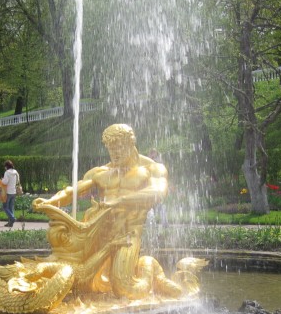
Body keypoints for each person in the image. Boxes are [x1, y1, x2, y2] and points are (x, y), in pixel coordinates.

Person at [33, 123, 177, 300]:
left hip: (127, 234)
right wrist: (50, 201)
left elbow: (158, 192)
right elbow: (72, 191)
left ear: (131, 144)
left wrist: (121, 200)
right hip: (98, 233)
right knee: (79, 282)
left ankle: (148, 265)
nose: (114, 153)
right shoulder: (100, 172)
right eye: (111, 148)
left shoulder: (151, 169)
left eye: (119, 147)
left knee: (124, 289)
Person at [148, 149, 169, 227]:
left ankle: (164, 223)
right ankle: (151, 225)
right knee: (151, 207)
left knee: (159, 205)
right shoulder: (148, 161)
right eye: (151, 153)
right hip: (150, 186)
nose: (152, 155)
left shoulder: (158, 162)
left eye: (154, 154)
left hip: (156, 186)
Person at [1, 160, 20, 227]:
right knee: (11, 207)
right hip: (13, 191)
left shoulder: (7, 172)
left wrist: (2, 179)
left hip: (7, 192)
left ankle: (12, 218)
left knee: (5, 207)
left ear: (6, 166)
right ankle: (10, 223)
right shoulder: (15, 172)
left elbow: (5, 182)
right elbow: (18, 181)